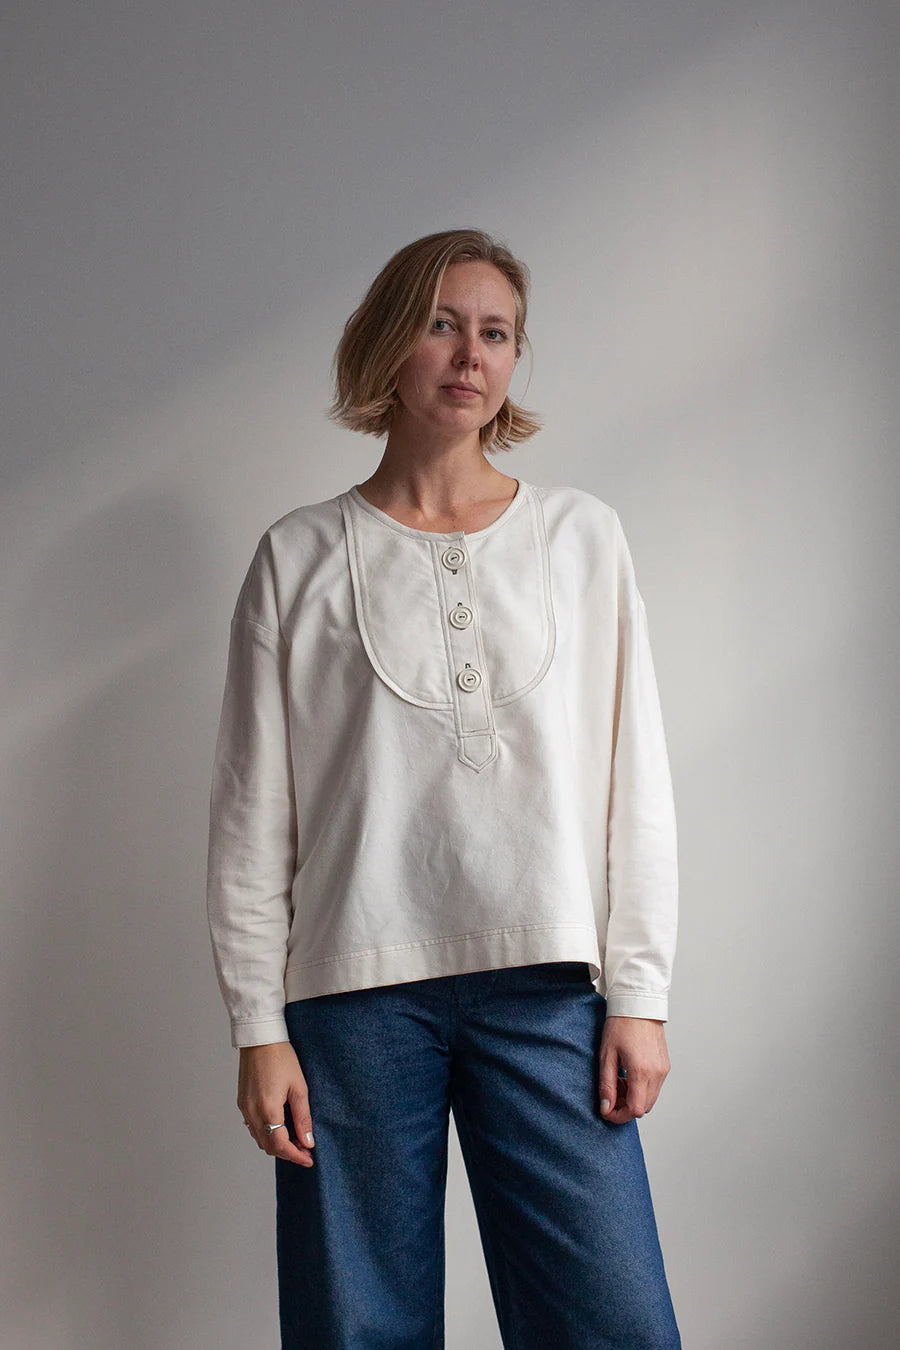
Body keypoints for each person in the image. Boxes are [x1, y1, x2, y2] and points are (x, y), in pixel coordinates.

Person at [206, 227, 682, 1348]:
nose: (472, 354)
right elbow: (251, 816)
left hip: (549, 988)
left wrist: (641, 995)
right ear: (388, 342)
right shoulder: (298, 556)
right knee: (357, 1328)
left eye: (497, 332)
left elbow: (636, 780)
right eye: (441, 323)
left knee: (612, 1320)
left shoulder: (583, 538)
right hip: (352, 998)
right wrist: (258, 1028)